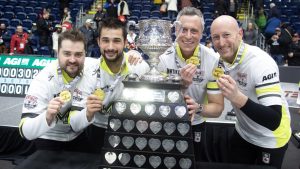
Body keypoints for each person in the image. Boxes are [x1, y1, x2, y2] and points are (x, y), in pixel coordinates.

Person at [210, 15, 291, 169]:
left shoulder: (261, 62)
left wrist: (237, 97)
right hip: (243, 132)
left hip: (270, 139)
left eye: (226, 35)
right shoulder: (219, 62)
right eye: (215, 37)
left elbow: (274, 120)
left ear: (240, 34)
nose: (221, 42)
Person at [72, 17, 150, 153]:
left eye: (116, 41)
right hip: (96, 132)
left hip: (130, 132)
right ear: (98, 42)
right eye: (105, 40)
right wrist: (88, 113)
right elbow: (74, 124)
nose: (110, 47)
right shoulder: (88, 71)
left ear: (126, 42)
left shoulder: (140, 67)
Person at [157, 7, 224, 161]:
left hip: (196, 125)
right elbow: (155, 100)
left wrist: (198, 108)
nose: (188, 36)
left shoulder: (213, 60)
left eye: (194, 31)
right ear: (176, 31)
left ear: (201, 33)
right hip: (165, 122)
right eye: (183, 30)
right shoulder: (161, 57)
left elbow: (217, 108)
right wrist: (181, 86)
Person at [19, 30, 100, 153]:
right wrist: (47, 117)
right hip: (48, 137)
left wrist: (133, 54)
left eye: (78, 54)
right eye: (67, 54)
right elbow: (24, 131)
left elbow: (113, 61)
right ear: (57, 53)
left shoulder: (90, 66)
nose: (72, 60)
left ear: (85, 54)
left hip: (76, 136)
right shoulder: (43, 80)